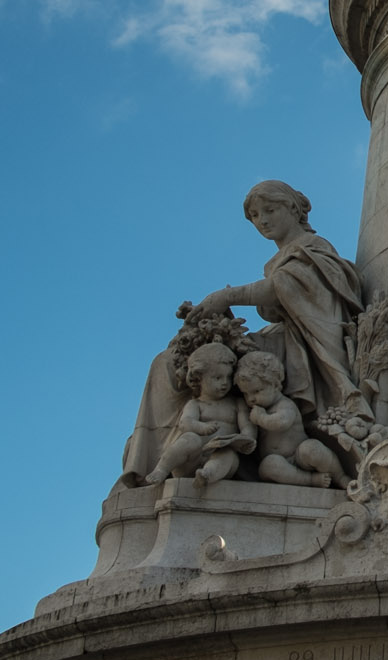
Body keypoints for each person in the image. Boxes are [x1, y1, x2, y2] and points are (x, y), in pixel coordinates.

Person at [120, 181, 366, 487]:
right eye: (254, 216)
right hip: (282, 340)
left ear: (293, 208)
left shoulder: (314, 249)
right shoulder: (280, 259)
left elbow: (287, 290)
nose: (262, 220)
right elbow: (278, 296)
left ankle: (186, 456)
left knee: (170, 365)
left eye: (270, 210)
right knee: (169, 361)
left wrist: (226, 298)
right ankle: (161, 460)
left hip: (303, 349)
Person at [143, 342, 256, 488]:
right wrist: (202, 428)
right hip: (191, 460)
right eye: (217, 378)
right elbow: (185, 423)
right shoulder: (195, 404)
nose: (224, 383)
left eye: (228, 377)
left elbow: (247, 427)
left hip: (220, 457)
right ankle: (161, 469)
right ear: (199, 378)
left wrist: (246, 440)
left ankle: (206, 475)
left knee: (228, 455)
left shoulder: (237, 403)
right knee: (190, 438)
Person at [236, 351, 344, 488]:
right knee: (268, 466)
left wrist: (260, 418)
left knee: (312, 449)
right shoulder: (254, 410)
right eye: (246, 393)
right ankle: (310, 479)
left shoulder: (285, 404)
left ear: (275, 384)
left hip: (299, 455)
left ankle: (340, 476)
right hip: (280, 462)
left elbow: (282, 423)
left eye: (257, 391)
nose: (251, 398)